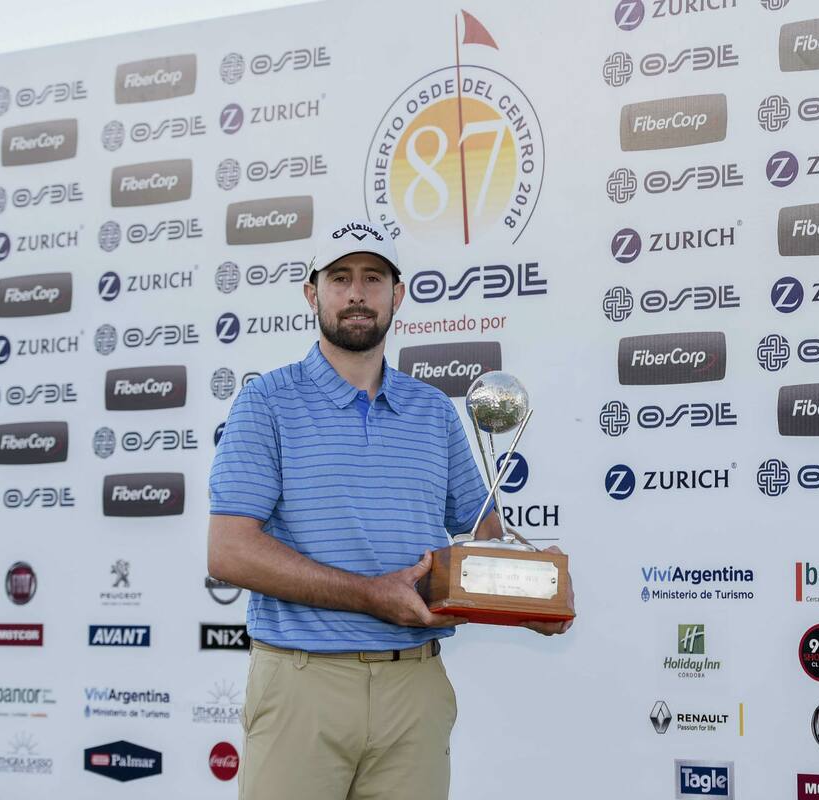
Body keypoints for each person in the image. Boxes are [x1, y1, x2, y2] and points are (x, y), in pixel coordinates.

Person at [207, 217, 572, 800]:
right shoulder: (266, 401)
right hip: (303, 684)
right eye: (340, 278)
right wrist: (369, 595)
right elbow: (229, 552)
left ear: (397, 295)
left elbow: (482, 532)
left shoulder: (433, 410)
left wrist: (527, 595)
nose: (357, 293)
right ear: (312, 294)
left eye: (373, 278)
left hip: (414, 687)